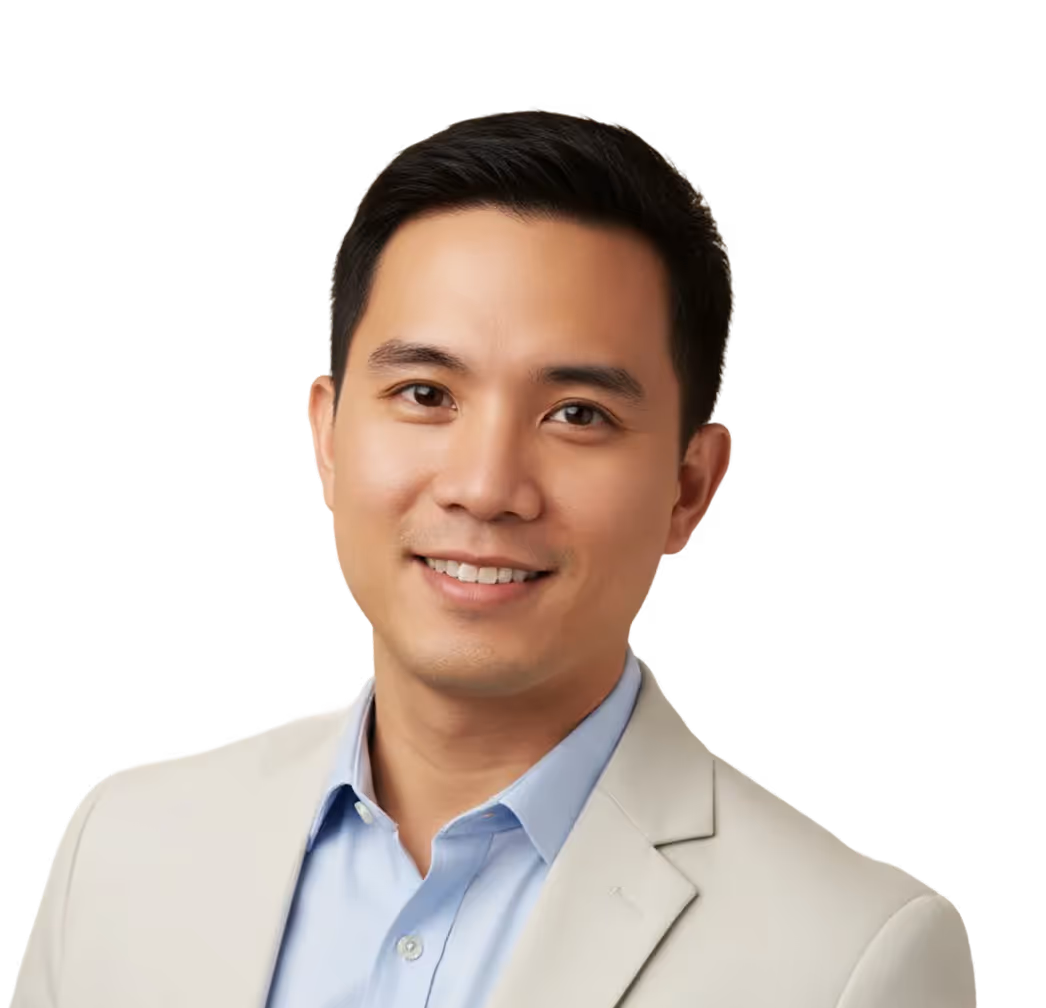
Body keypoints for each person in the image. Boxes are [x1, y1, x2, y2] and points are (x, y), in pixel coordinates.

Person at [9, 108, 977, 1008]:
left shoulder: (852, 953)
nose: (484, 485)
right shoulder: (125, 840)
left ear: (688, 488)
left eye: (576, 414)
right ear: (328, 440)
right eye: (426, 393)